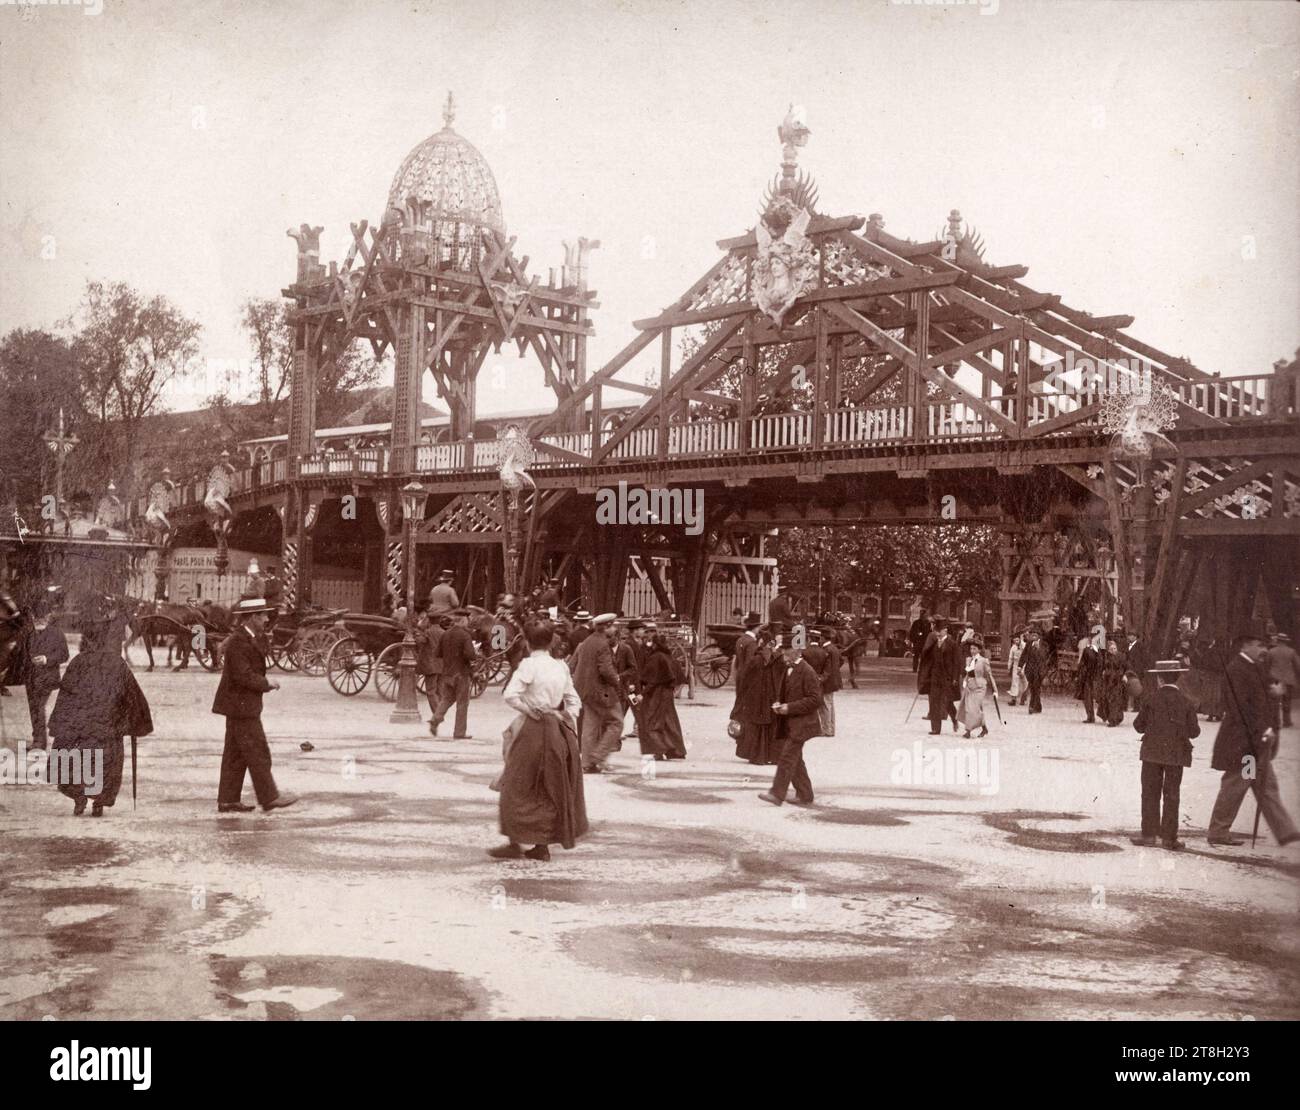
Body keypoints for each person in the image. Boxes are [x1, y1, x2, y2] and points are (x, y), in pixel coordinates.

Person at [489, 620, 587, 862]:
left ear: (527, 641)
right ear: (551, 640)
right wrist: (561, 715)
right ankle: (541, 845)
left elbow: (510, 695)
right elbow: (574, 701)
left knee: (516, 784)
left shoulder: (528, 665)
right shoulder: (560, 666)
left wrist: (530, 710)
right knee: (550, 785)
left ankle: (514, 841)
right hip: (556, 729)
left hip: (533, 729)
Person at [47, 615, 153, 817]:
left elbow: (66, 694)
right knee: (106, 764)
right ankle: (99, 802)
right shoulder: (117, 663)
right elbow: (131, 694)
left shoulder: (78, 662)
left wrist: (61, 722)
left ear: (85, 641)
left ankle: (79, 797)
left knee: (75, 760)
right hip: (107, 725)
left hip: (80, 726)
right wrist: (136, 721)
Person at [1206, 632, 1299, 847]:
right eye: (1259, 645)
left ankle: (1286, 831)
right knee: (1237, 784)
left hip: (1255, 744)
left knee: (1266, 786)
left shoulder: (1252, 666)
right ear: (1246, 646)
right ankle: (1218, 831)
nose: (1263, 649)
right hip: (1246, 745)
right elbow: (1241, 708)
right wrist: (1263, 730)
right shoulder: (1237, 670)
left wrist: (1275, 693)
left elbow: (1259, 697)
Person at [212, 597, 298, 813]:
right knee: (258, 751)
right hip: (241, 706)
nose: (266, 619)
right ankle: (269, 797)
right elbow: (244, 676)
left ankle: (228, 800)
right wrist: (267, 683)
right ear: (251, 618)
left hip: (238, 704)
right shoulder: (238, 642)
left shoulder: (248, 638)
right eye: (262, 616)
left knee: (235, 754)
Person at [1130, 659, 1199, 850]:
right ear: (1177, 678)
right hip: (1176, 755)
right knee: (1172, 794)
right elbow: (1194, 732)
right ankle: (1169, 838)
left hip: (1152, 753)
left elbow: (1138, 726)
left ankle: (1149, 836)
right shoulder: (1186, 701)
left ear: (1159, 678)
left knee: (1150, 793)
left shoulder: (1150, 699)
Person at [758, 634, 824, 807]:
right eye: (783, 652)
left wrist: (790, 707)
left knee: (787, 757)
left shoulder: (807, 671)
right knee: (796, 759)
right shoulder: (789, 668)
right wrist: (780, 704)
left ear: (797, 651)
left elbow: (816, 699)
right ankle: (805, 794)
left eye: (787, 653)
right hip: (792, 723)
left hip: (803, 724)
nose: (784, 656)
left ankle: (776, 794)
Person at [571, 613, 623, 773]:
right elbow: (605, 670)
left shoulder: (586, 642)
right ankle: (599, 757)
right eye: (613, 626)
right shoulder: (602, 644)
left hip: (584, 691)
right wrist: (617, 681)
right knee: (617, 722)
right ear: (606, 627)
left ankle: (586, 763)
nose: (614, 629)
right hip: (601, 691)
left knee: (590, 725)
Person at [23, 601, 69, 750]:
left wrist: (46, 659)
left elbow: (64, 655)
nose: (39, 620)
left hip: (47, 678)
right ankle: (37, 738)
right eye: (36, 617)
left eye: (42, 617)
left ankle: (39, 742)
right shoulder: (28, 632)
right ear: (32, 616)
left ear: (49, 617)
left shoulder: (57, 633)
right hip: (31, 677)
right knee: (33, 708)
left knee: (38, 706)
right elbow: (23, 653)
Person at [639, 633, 687, 760]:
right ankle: (676, 750)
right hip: (667, 693)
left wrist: (642, 693)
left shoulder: (655, 657)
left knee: (652, 721)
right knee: (668, 721)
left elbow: (652, 680)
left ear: (655, 644)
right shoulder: (668, 656)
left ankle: (661, 749)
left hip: (657, 693)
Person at [431, 608, 477, 739]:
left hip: (447, 673)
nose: (468, 622)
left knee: (447, 699)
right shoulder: (465, 635)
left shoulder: (445, 634)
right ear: (463, 620)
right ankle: (459, 732)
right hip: (461, 673)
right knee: (462, 703)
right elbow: (470, 655)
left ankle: (435, 718)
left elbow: (437, 653)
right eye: (467, 620)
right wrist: (475, 653)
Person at [917, 619, 961, 735]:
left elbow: (957, 662)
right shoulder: (934, 644)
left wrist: (955, 678)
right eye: (936, 631)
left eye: (939, 631)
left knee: (947, 702)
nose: (937, 633)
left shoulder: (952, 644)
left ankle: (954, 719)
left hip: (947, 678)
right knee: (934, 702)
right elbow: (928, 659)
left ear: (945, 630)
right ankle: (936, 729)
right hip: (935, 678)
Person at [957, 638, 996, 739]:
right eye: (971, 649)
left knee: (972, 709)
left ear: (979, 650)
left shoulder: (984, 661)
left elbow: (989, 675)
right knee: (971, 709)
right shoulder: (969, 660)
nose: (972, 651)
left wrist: (995, 690)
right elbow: (967, 673)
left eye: (974, 649)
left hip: (980, 687)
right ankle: (984, 728)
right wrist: (965, 682)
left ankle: (968, 731)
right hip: (970, 686)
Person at [414, 607, 447, 722]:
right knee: (440, 690)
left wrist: (418, 631)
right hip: (442, 665)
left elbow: (420, 641)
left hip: (430, 665)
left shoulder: (428, 632)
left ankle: (438, 715)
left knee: (431, 691)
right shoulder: (444, 632)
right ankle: (440, 713)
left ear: (429, 620)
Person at [614, 623, 642, 739]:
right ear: (634, 631)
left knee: (630, 705)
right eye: (640, 629)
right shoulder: (629, 645)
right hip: (631, 681)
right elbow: (631, 666)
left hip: (633, 679)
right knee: (631, 704)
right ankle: (638, 728)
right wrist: (631, 682)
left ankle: (637, 728)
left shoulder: (634, 643)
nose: (642, 632)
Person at [1266, 632, 1299, 728]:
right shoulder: (1291, 651)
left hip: (1274, 678)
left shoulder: (1271, 651)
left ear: (1278, 641)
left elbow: (1266, 665)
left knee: (1274, 701)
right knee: (1287, 700)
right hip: (1288, 680)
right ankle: (1286, 722)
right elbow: (1297, 665)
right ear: (1286, 642)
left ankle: (1275, 721)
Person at [1077, 624, 1106, 724]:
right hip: (1088, 677)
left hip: (1098, 677)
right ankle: (1090, 716)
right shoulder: (1087, 650)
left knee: (1099, 697)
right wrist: (1082, 672)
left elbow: (1105, 663)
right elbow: (1082, 663)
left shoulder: (1103, 651)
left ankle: (1104, 714)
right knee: (1087, 697)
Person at [1099, 639, 1130, 727]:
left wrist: (1125, 675)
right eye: (1111, 649)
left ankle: (1113, 720)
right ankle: (1115, 718)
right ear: (1108, 650)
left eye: (1114, 648)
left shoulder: (1121, 656)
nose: (1113, 651)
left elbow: (1126, 667)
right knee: (1109, 699)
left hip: (1118, 680)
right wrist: (1104, 671)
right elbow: (1104, 666)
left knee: (1115, 699)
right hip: (1108, 680)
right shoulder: (1107, 657)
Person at [1021, 629, 1048, 714]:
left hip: (1039, 671)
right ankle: (1038, 707)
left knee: (1035, 687)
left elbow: (1044, 657)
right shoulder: (1029, 644)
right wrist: (1019, 666)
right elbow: (1024, 655)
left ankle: (1031, 707)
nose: (1034, 636)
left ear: (1039, 636)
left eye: (1036, 635)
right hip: (1030, 670)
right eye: (1033, 634)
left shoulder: (1044, 645)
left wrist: (1038, 648)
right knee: (1034, 688)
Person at [1006, 632, 1025, 706]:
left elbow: (1027, 654)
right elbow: (1010, 658)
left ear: (1020, 639)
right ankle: (1013, 699)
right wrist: (1009, 666)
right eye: (1015, 641)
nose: (1016, 642)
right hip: (1016, 666)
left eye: (1017, 640)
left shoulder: (1024, 645)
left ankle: (1023, 698)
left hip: (1023, 665)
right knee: (1014, 682)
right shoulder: (1013, 648)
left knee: (1024, 682)